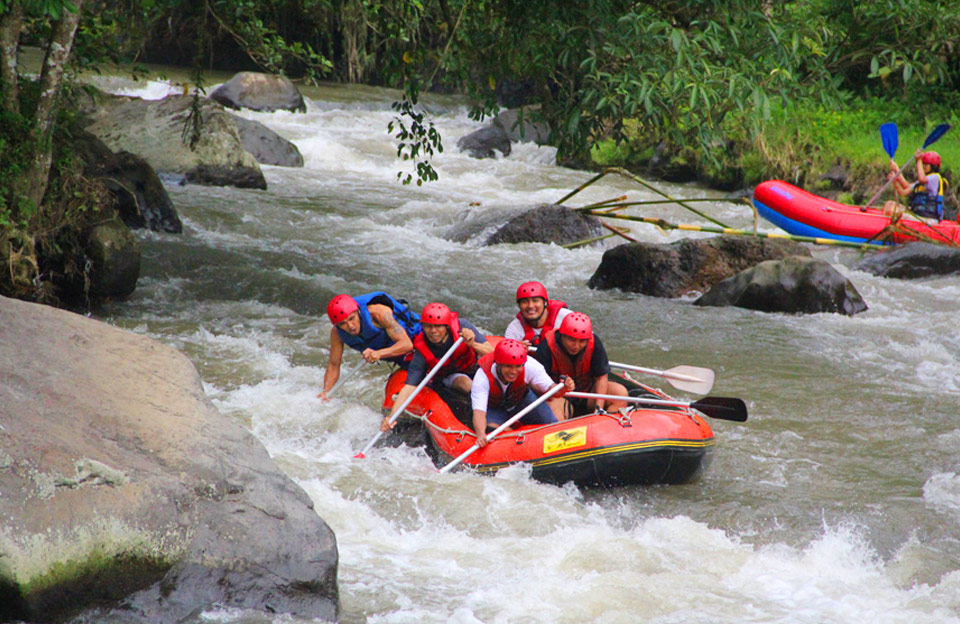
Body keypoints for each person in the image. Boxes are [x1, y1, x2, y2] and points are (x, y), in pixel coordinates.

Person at [380, 302, 493, 431]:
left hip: (474, 366)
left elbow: (491, 352)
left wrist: (472, 344)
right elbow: (410, 386)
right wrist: (392, 416)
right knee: (466, 385)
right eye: (428, 326)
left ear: (446, 326)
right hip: (449, 377)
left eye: (438, 327)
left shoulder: (463, 327)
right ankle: (484, 419)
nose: (433, 331)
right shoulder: (421, 351)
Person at [471, 338, 574, 447]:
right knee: (492, 430)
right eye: (508, 366)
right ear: (498, 364)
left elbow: (552, 390)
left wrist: (562, 389)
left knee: (552, 426)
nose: (513, 371)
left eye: (518, 366)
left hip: (521, 400)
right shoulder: (482, 376)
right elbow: (479, 413)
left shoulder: (531, 366)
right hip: (493, 408)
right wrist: (481, 434)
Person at [318, 292, 421, 400]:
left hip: (419, 342)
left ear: (358, 311)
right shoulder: (337, 333)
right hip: (402, 358)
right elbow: (334, 365)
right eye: (342, 324)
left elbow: (407, 344)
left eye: (351, 318)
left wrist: (379, 353)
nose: (350, 326)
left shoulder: (378, 313)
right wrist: (326, 392)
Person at [534, 311, 629, 419]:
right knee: (554, 409)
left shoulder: (594, 343)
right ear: (562, 335)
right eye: (571, 339)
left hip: (587, 393)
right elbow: (538, 384)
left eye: (582, 341)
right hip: (561, 397)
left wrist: (598, 409)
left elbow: (601, 377)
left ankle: (602, 424)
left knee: (620, 393)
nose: (576, 346)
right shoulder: (546, 348)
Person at [504, 281, 572, 346]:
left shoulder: (566, 318)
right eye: (524, 302)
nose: (530, 306)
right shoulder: (514, 329)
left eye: (535, 301)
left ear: (545, 302)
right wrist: (517, 351)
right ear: (519, 306)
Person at [889, 150, 947, 222]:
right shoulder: (924, 181)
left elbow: (922, 178)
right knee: (890, 205)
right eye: (923, 164)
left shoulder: (935, 177)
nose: (923, 166)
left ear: (933, 166)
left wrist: (918, 160)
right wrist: (895, 177)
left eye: (926, 164)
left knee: (897, 214)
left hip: (929, 219)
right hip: (919, 216)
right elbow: (904, 190)